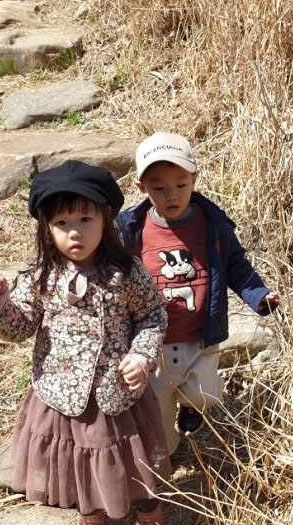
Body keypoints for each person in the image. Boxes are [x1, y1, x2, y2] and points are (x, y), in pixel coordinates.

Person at [0, 160, 171, 525]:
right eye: (61, 223)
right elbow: (21, 326)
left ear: (106, 218)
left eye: (85, 219)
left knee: (132, 460)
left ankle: (150, 519)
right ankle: (91, 519)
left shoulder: (125, 272)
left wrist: (141, 356)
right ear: (46, 228)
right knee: (77, 462)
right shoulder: (41, 276)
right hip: (60, 394)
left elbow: (152, 316)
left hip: (116, 391)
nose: (75, 232)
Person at [116, 133, 280, 455]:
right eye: (159, 188)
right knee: (158, 402)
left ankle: (193, 406)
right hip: (154, 339)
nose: (172, 195)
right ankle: (167, 451)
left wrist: (257, 294)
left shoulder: (212, 224)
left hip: (201, 335)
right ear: (142, 188)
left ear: (194, 178)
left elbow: (235, 263)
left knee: (204, 392)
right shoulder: (131, 229)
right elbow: (114, 271)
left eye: (180, 184)